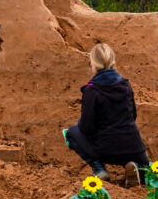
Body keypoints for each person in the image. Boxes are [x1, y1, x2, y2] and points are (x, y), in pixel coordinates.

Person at [63, 43, 150, 185]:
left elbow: (87, 128)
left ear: (93, 64)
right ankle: (138, 167)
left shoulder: (92, 90)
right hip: (134, 147)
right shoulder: (125, 85)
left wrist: (82, 125)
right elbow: (133, 116)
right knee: (144, 163)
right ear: (113, 62)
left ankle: (99, 169)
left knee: (72, 132)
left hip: (106, 150)